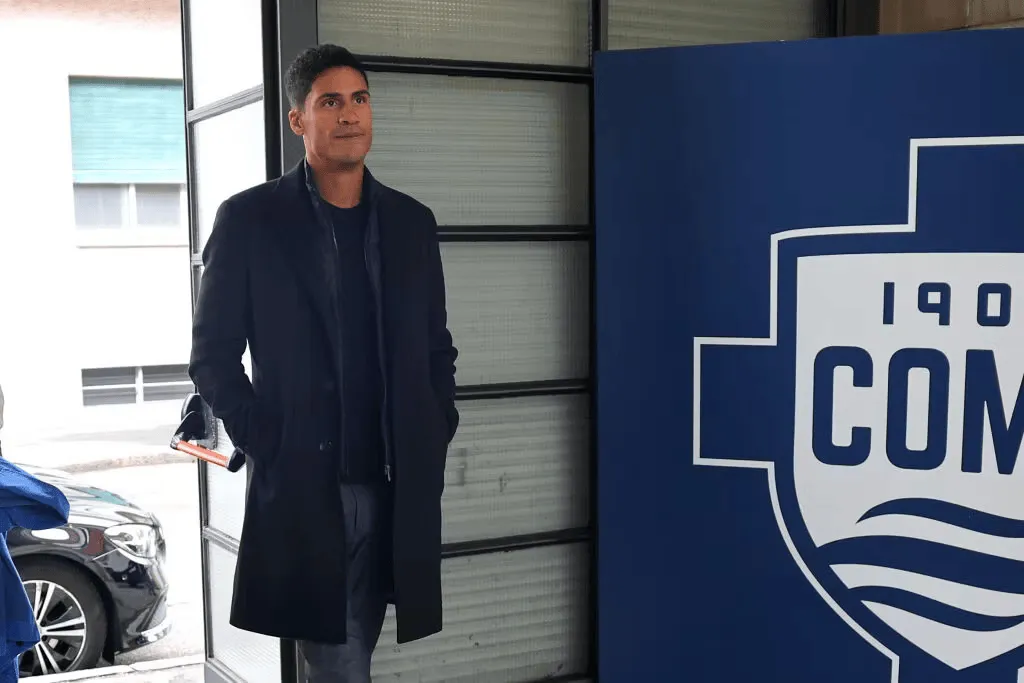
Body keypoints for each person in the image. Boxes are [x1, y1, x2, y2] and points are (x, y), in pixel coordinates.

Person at [188, 44, 459, 682]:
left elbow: (435, 347)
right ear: (298, 119)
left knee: (355, 652)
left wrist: (434, 425)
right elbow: (213, 356)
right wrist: (266, 438)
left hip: (394, 486)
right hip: (309, 491)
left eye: (359, 99)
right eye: (330, 102)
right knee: (340, 665)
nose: (349, 115)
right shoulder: (251, 220)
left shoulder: (410, 223)